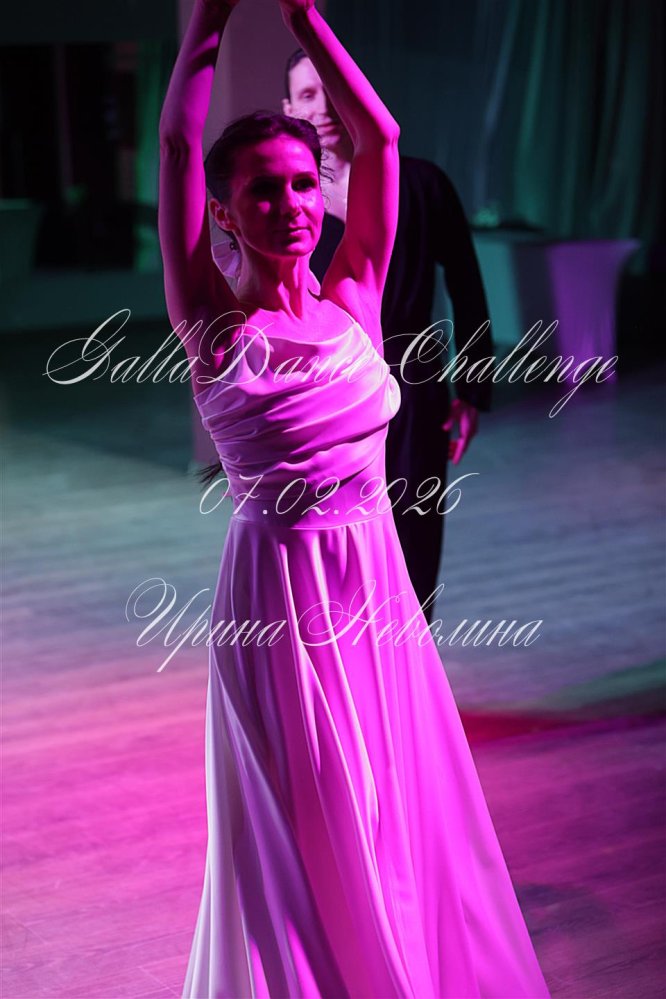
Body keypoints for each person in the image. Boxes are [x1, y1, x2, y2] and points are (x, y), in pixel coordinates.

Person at [159, 0, 550, 996]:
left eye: (301, 183)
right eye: (263, 190)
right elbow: (176, 145)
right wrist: (210, 25)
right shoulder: (214, 324)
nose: (291, 204)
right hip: (280, 604)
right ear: (224, 211)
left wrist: (304, 17)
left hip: (374, 591)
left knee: (389, 803)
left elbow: (380, 137)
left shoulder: (356, 296)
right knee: (306, 823)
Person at [283, 49, 493, 623]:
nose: (323, 107)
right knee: (332, 551)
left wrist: (472, 391)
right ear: (289, 108)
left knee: (413, 543)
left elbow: (467, 285)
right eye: (307, 95)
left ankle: (409, 667)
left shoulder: (420, 184)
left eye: (330, 89)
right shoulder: (289, 202)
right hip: (324, 397)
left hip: (414, 386)